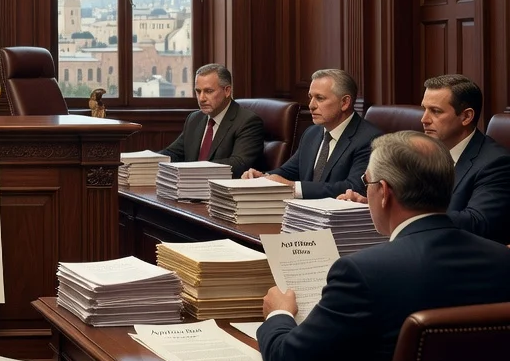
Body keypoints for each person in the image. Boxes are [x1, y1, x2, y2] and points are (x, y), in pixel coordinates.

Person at [258, 131, 510, 361]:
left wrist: (278, 314)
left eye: (367, 182)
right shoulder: (503, 260)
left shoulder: (362, 272)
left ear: (385, 192)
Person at [341, 74, 510, 243]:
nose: (424, 119)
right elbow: (408, 202)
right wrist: (375, 204)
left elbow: (477, 222)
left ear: (466, 117)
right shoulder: (421, 153)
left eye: (435, 111)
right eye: (424, 109)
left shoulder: (496, 164)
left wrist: (403, 215)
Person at [243, 68, 380, 198]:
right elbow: (290, 171)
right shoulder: (312, 133)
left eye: (320, 98)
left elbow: (354, 187)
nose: (311, 105)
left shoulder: (368, 139)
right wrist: (263, 177)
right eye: (310, 97)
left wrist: (293, 187)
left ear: (344, 102)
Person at [159, 63, 264, 177]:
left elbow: (238, 164)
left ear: (227, 91)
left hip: (222, 190)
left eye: (208, 91)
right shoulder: (194, 118)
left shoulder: (247, 122)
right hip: (190, 187)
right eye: (198, 91)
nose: (201, 98)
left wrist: (191, 170)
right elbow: (172, 153)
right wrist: (146, 162)